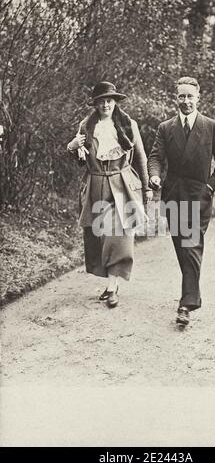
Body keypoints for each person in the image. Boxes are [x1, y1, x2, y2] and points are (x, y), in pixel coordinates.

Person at [148, 76, 215, 326]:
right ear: (176, 98)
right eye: (181, 96)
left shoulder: (212, 126)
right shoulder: (166, 127)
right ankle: (190, 294)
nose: (185, 101)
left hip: (199, 197)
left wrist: (209, 187)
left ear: (198, 98)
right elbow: (155, 157)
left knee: (191, 247)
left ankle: (186, 304)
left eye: (190, 96)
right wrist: (153, 176)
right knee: (182, 248)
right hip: (173, 196)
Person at [67, 81, 153, 307]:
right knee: (99, 236)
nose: (106, 105)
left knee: (120, 235)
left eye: (109, 100)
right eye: (101, 101)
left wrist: (146, 188)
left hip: (122, 182)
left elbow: (141, 158)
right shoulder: (86, 125)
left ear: (115, 102)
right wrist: (73, 146)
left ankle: (113, 287)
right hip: (96, 184)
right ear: (95, 104)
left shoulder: (128, 124)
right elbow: (80, 161)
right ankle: (109, 281)